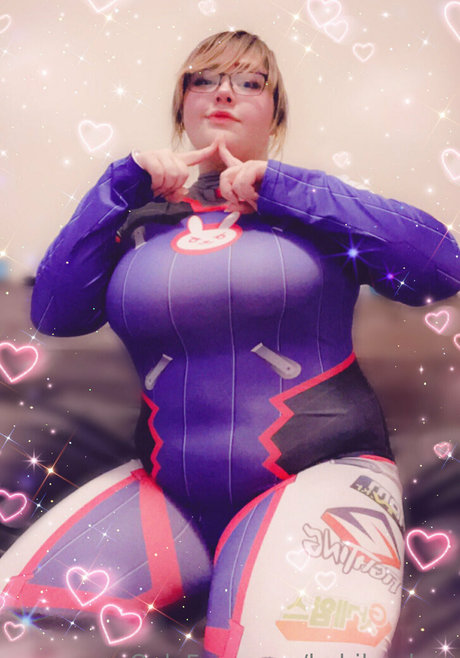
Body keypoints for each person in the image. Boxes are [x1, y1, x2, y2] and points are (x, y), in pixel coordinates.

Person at [0, 29, 459, 658]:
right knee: (14, 625)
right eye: (204, 80)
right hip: (167, 496)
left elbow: (441, 268)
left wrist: (288, 187)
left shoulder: (317, 209)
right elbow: (56, 313)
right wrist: (118, 187)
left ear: (276, 115)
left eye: (249, 83)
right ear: (181, 107)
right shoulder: (138, 220)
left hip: (320, 479)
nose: (223, 93)